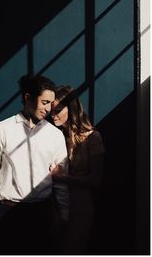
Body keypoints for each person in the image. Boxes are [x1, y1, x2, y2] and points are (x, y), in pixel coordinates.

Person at [0, 74, 69, 254]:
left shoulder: (55, 135)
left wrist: (63, 215)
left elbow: (61, 180)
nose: (48, 109)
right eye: (44, 102)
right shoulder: (1, 129)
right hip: (8, 213)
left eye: (51, 104)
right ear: (27, 97)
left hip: (42, 214)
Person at [50, 85, 105, 254]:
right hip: (54, 205)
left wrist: (62, 178)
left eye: (57, 110)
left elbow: (96, 180)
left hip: (80, 207)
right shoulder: (53, 136)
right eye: (51, 110)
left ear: (71, 108)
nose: (52, 115)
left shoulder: (92, 138)